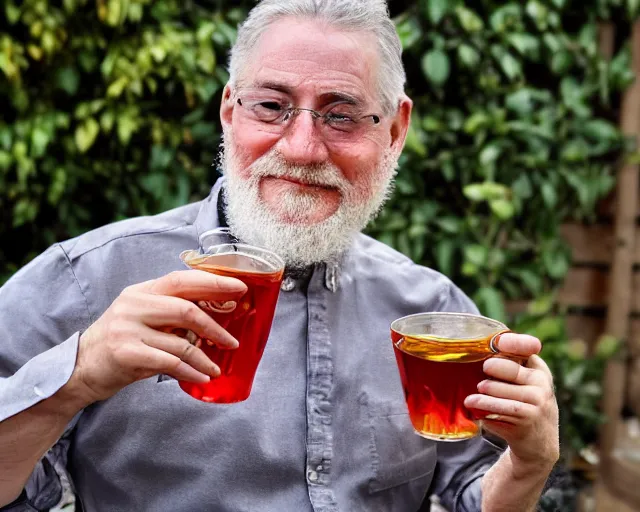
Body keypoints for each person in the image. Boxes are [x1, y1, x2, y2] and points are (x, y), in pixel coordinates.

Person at [0, 1, 560, 510]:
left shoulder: (431, 310)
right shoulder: (86, 281)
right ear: (228, 111)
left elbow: (471, 496)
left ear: (395, 130)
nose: (302, 148)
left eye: (341, 114)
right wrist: (75, 378)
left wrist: (528, 465)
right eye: (272, 106)